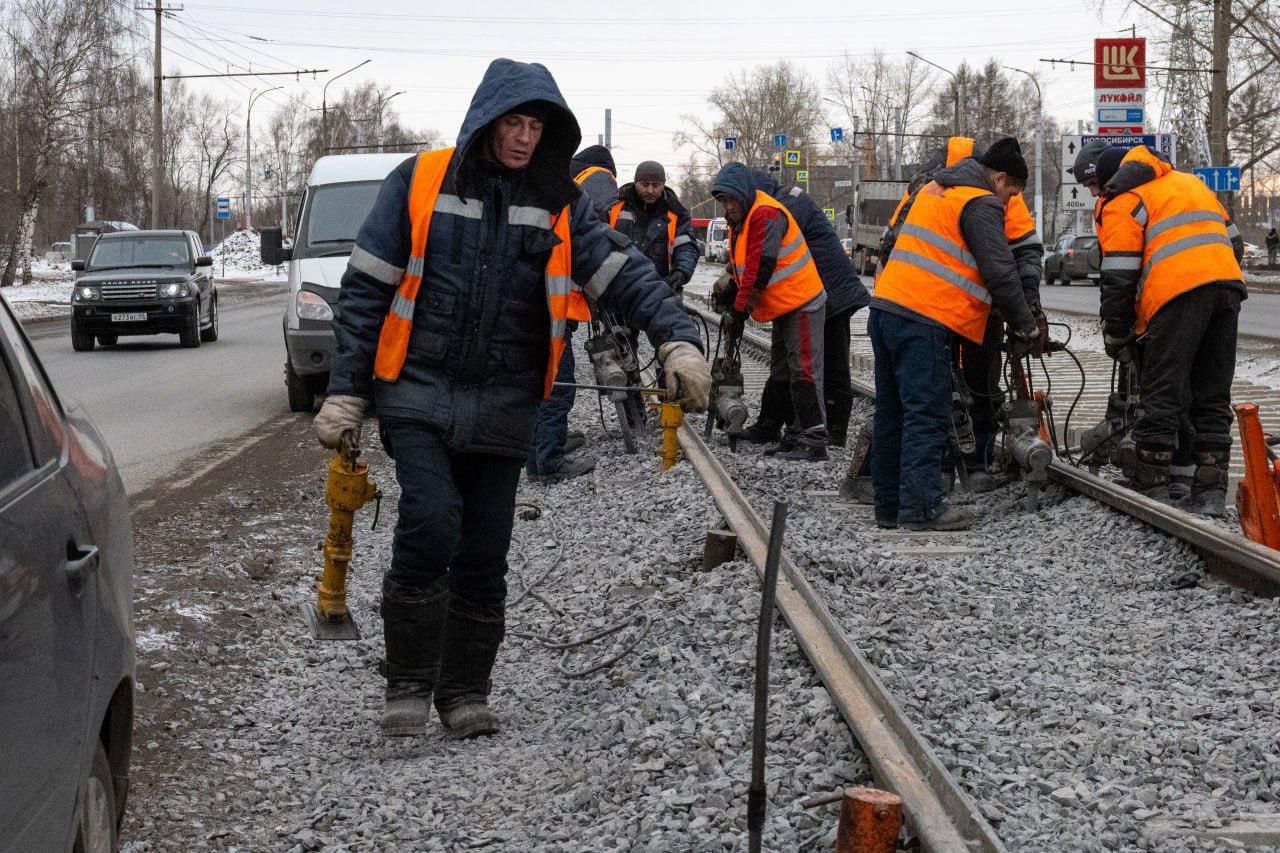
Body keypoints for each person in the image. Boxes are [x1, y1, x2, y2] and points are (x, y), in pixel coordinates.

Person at [317, 59, 710, 739]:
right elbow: (365, 290)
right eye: (514, 122)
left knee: (485, 547)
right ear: (486, 120)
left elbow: (623, 272)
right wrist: (348, 390)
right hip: (417, 390)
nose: (525, 138)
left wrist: (677, 339)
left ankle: (465, 688)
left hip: (505, 399)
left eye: (536, 126)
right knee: (431, 520)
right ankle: (408, 681)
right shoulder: (419, 182)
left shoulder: (557, 204)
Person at [843, 137, 1044, 500]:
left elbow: (894, 246)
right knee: (934, 405)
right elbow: (1001, 268)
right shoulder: (981, 200)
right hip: (932, 312)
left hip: (895, 305)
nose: (1011, 199)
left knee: (900, 403)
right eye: (1010, 191)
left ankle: (883, 496)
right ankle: (932, 495)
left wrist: (1023, 303)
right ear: (997, 177)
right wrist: (1025, 321)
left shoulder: (929, 190)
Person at [1094, 144, 1245, 515]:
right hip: (1227, 288)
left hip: (1176, 296)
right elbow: (1236, 243)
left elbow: (1119, 275)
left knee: (1162, 389)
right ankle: (1210, 490)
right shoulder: (1190, 184)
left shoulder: (1123, 200)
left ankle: (1152, 482)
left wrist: (1117, 333)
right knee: (1212, 391)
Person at [739, 169, 871, 448]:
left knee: (828, 367)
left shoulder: (783, 206)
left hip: (830, 294)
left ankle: (832, 434)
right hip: (798, 295)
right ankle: (771, 424)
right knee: (785, 361)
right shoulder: (783, 200)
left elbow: (764, 248)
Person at [712, 161, 830, 460]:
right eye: (723, 201)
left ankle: (814, 439)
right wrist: (732, 293)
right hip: (785, 305)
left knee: (803, 368)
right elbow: (744, 269)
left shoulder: (765, 214)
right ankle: (790, 433)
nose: (727, 207)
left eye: (730, 199)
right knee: (783, 370)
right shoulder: (743, 218)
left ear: (743, 194)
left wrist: (740, 312)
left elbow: (759, 268)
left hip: (801, 301)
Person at [525, 144, 621, 483]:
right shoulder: (595, 182)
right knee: (559, 385)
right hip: (556, 311)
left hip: (542, 308)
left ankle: (536, 459)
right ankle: (549, 463)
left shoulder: (554, 191)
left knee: (542, 385)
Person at [609, 160, 699, 299]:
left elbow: (686, 246)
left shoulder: (677, 213)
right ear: (635, 182)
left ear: (663, 184)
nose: (650, 190)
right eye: (645, 184)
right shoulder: (615, 207)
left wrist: (681, 271)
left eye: (655, 185)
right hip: (620, 291)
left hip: (662, 292)